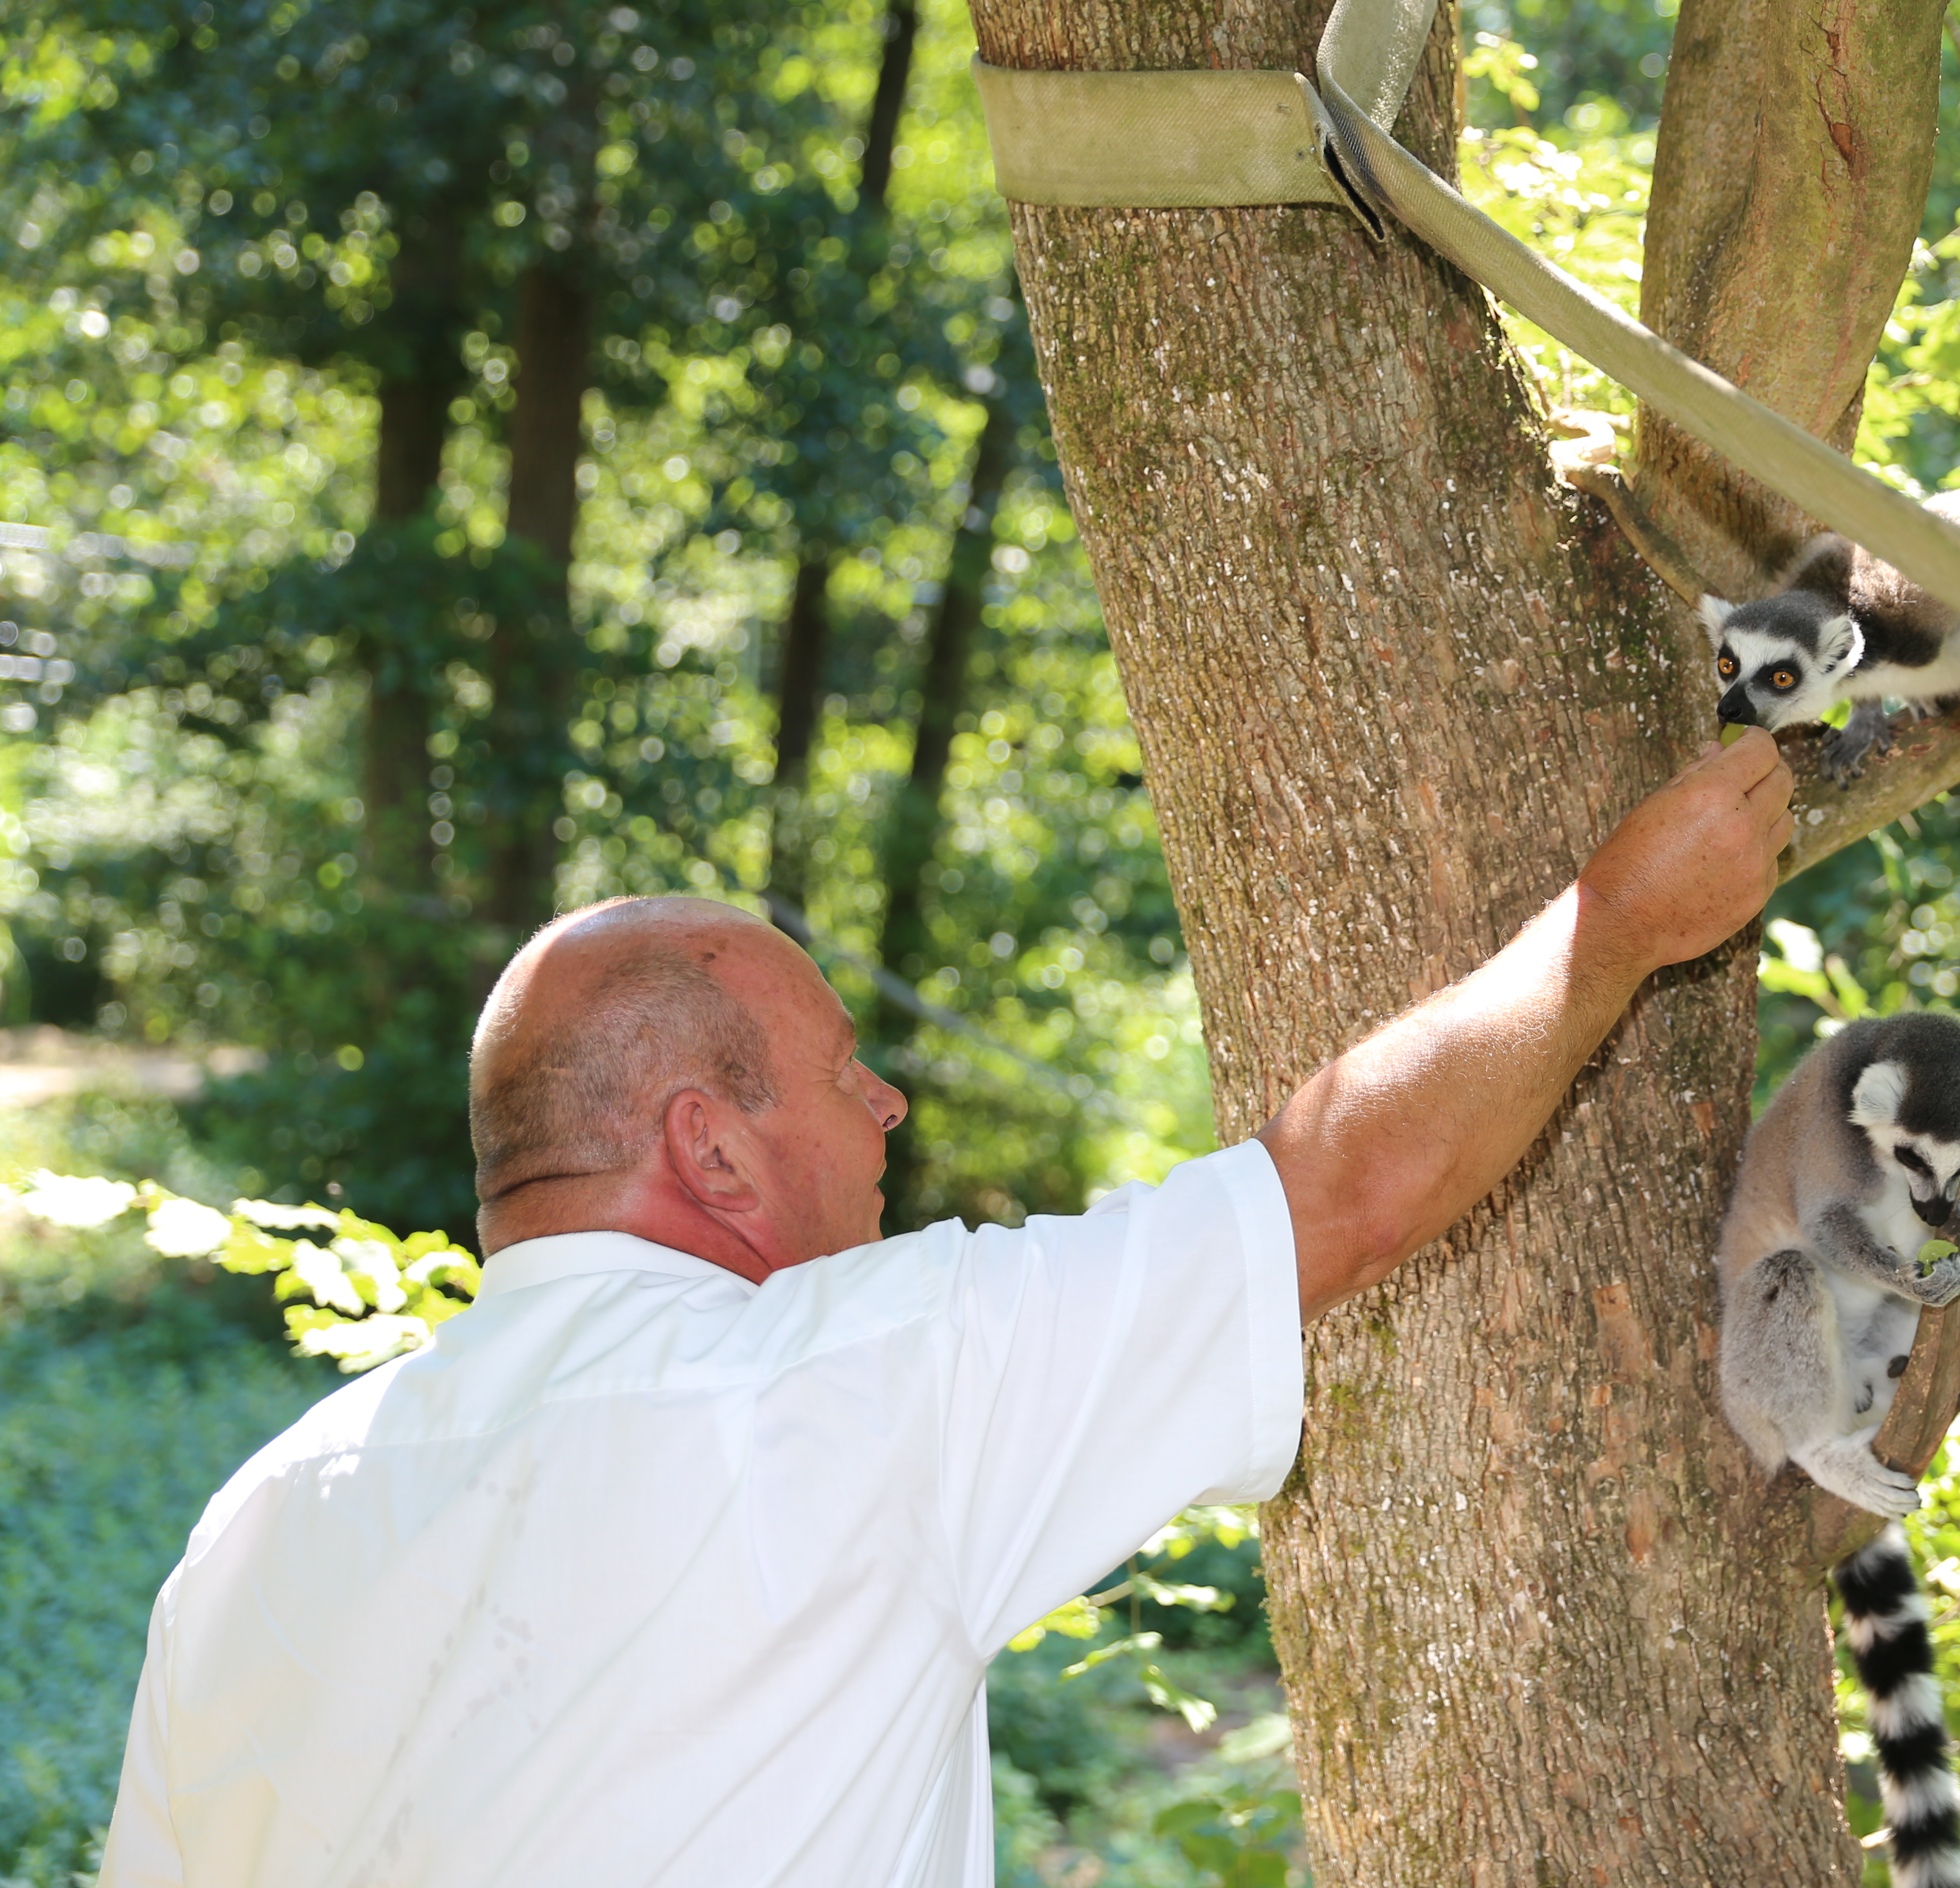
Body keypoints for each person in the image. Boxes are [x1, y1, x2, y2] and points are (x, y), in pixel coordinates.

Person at [97, 731, 1796, 1888]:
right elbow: (1334, 1194)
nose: (893, 1106)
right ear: (714, 1151)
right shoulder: (837, 1385)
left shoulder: (258, 1524)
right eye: (849, 1076)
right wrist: (1619, 923)